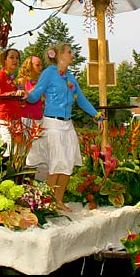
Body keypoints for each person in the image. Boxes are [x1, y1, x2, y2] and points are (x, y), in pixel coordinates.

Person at [22, 43, 105, 212]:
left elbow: (80, 99)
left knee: (67, 164)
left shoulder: (70, 77)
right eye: (69, 52)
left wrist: (97, 115)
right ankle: (47, 202)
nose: (72, 55)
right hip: (53, 124)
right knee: (57, 164)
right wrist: (26, 95)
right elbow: (36, 95)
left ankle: (58, 201)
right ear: (59, 55)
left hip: (68, 125)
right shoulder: (49, 73)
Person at [0, 48, 26, 155]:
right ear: (4, 60)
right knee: (7, 150)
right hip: (4, 120)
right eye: (11, 57)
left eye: (17, 58)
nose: (15, 60)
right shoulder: (0, 75)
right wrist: (8, 95)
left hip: (16, 119)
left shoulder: (14, 78)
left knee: (19, 152)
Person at [17, 55, 44, 127]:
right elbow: (19, 100)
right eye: (37, 65)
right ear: (30, 66)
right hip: (26, 119)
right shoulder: (22, 81)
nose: (40, 67)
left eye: (41, 65)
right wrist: (35, 88)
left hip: (40, 119)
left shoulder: (40, 82)